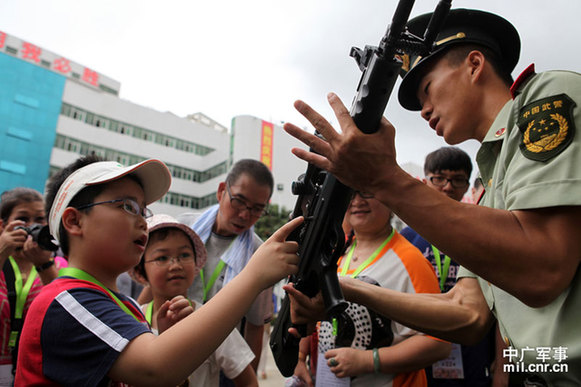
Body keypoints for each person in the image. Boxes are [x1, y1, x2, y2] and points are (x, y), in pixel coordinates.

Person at [283, 8, 581, 385]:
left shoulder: (546, 96)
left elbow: (544, 267)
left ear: (474, 64)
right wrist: (341, 290)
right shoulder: (491, 195)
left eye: (426, 90)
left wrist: (384, 179)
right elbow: (467, 313)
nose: (423, 111)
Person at [15, 155, 302, 385]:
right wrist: (252, 276)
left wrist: (165, 338)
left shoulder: (128, 306)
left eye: (143, 210)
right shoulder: (67, 301)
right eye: (127, 206)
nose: (142, 221)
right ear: (74, 222)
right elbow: (156, 368)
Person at [293, 191, 450, 387]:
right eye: (350, 193)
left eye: (367, 192)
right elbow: (311, 314)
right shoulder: (337, 254)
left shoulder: (412, 261)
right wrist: (300, 358)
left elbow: (439, 343)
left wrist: (369, 361)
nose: (357, 201)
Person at [400, 147, 495, 385]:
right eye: (439, 178)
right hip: (418, 357)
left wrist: (502, 367)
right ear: (425, 181)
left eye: (457, 179)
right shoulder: (406, 238)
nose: (448, 186)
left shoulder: (484, 236)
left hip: (473, 355)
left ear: (466, 186)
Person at [134, 213, 258, 387]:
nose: (176, 265)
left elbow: (248, 381)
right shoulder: (133, 321)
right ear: (141, 271)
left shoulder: (212, 320)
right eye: (162, 258)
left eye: (184, 255)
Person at [186, 159, 274, 373]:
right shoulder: (184, 229)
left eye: (256, 209)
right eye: (239, 201)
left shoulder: (259, 255)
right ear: (221, 191)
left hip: (222, 366)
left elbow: (255, 326)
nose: (245, 215)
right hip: (173, 350)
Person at [0, 187, 66, 384]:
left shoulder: (59, 266)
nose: (31, 227)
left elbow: (66, 313)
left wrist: (44, 265)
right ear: (3, 225)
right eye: (23, 219)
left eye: (39, 220)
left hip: (32, 371)